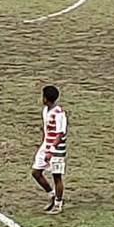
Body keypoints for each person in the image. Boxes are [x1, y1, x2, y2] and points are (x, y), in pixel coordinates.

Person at [30, 85, 68, 215]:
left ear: (46, 98)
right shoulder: (46, 110)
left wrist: (51, 150)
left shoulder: (59, 114)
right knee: (36, 172)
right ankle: (51, 194)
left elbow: (60, 133)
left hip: (56, 149)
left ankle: (58, 203)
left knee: (56, 176)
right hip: (45, 146)